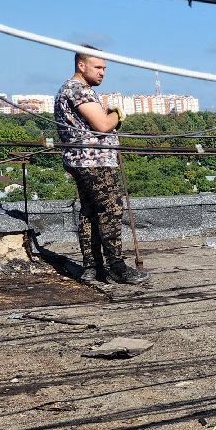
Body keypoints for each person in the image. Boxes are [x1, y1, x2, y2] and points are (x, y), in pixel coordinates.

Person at [53, 48, 149, 285]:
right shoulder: (77, 90)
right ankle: (116, 267)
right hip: (93, 161)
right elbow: (103, 125)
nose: (103, 72)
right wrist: (118, 115)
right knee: (111, 210)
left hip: (81, 161)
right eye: (98, 67)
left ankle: (92, 267)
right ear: (81, 66)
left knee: (90, 212)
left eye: (105, 68)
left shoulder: (70, 90)